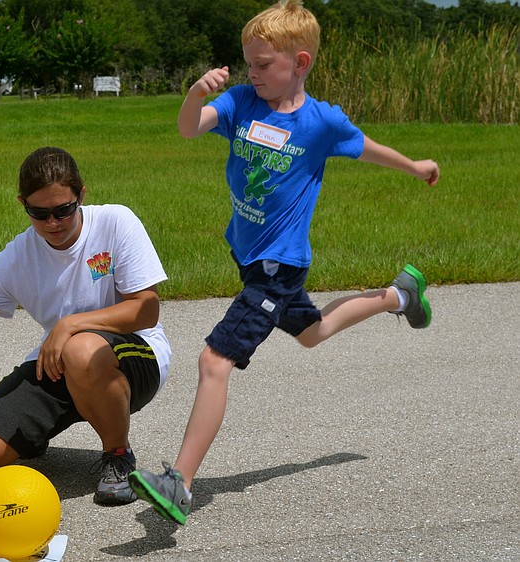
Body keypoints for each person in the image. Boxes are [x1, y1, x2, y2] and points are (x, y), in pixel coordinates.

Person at [128, 0, 440, 525]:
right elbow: (189, 127)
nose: (252, 73)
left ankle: (179, 482)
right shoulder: (241, 103)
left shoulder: (321, 122)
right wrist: (195, 93)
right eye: (248, 63)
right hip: (250, 257)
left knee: (214, 361)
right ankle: (400, 295)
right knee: (312, 333)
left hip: (279, 265)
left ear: (300, 63)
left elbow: (366, 147)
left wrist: (415, 166)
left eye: (263, 64)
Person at [0, 146, 171, 506]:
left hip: (136, 355)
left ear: (81, 196)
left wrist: (70, 326)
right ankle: (43, 428)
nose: (53, 223)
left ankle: (118, 456)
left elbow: (146, 310)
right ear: (23, 204)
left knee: (80, 347)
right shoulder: (18, 257)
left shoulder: (115, 222)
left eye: (63, 210)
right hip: (61, 361)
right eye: (39, 213)